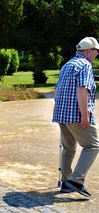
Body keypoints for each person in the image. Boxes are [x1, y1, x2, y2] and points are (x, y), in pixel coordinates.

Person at [53, 37, 99, 197]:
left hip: (61, 114)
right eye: (96, 51)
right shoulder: (85, 65)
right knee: (93, 146)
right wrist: (85, 115)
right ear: (88, 51)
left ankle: (66, 182)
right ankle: (76, 180)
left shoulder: (68, 64)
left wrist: (60, 111)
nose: (97, 54)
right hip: (76, 115)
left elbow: (57, 90)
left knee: (68, 149)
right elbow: (82, 90)